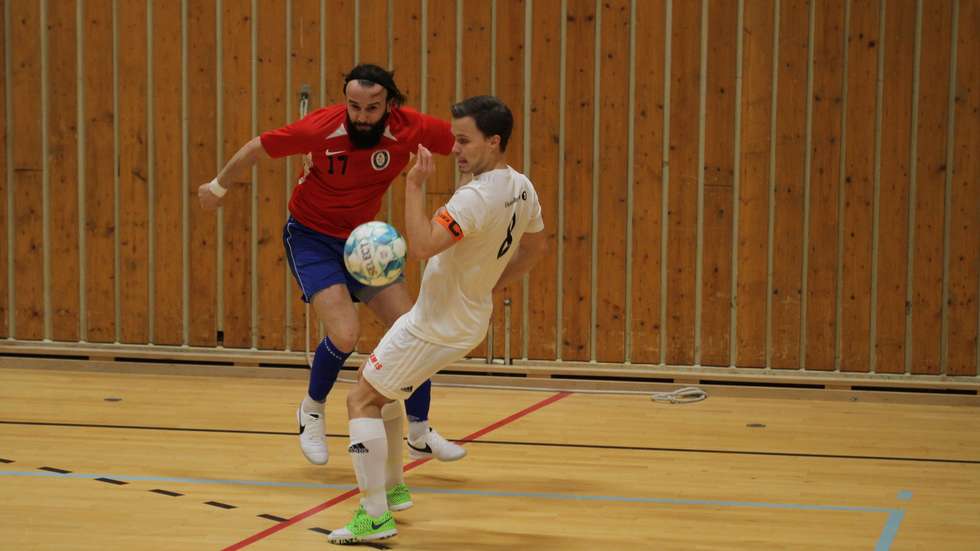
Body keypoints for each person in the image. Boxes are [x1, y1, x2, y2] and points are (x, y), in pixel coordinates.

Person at [198, 64, 466, 468]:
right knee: (344, 333)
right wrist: (217, 186)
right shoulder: (322, 128)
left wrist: (492, 183)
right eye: (354, 106)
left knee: (415, 327)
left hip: (364, 241)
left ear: (389, 105)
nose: (360, 116)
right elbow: (256, 147)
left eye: (371, 108)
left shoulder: (409, 128)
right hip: (311, 237)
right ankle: (311, 409)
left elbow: (464, 142)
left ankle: (419, 431)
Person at [327, 95, 549, 544]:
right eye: (454, 140)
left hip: (434, 324)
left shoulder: (474, 197)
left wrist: (414, 188)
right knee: (388, 396)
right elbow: (536, 247)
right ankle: (393, 490)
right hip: (466, 318)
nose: (456, 150)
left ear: (494, 141)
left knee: (361, 400)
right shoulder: (522, 186)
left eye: (465, 141)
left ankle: (373, 517)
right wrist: (488, 283)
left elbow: (425, 245)